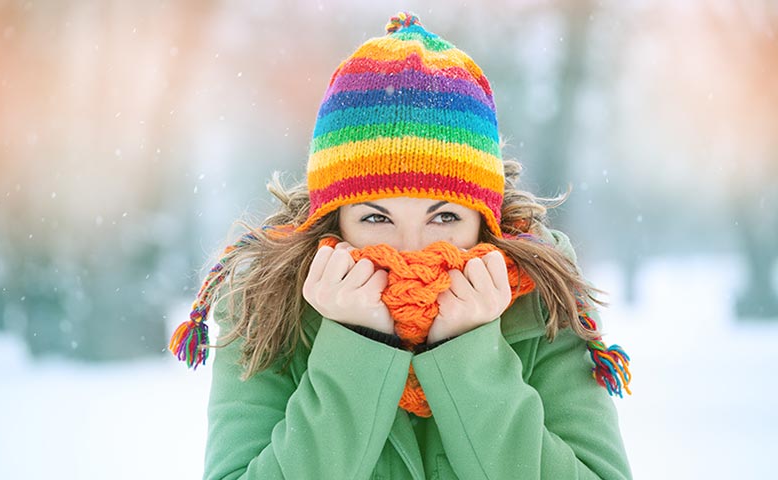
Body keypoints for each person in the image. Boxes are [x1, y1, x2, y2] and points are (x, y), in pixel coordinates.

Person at [170, 12, 632, 479]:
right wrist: (356, 347)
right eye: (375, 217)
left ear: (484, 221)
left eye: (445, 216)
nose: (410, 251)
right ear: (334, 221)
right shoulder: (264, 308)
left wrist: (470, 358)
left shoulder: (543, 303)